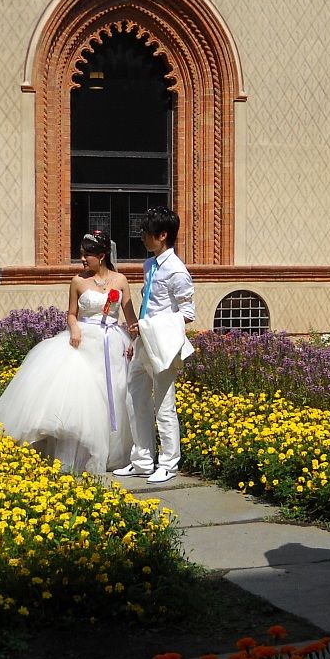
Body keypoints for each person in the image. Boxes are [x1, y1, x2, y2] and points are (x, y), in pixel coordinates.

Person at [0, 231, 137, 475]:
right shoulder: (78, 281)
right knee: (83, 396)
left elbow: (130, 317)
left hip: (112, 342)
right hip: (83, 340)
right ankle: (81, 450)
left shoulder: (121, 280)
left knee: (114, 394)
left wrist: (134, 340)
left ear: (102, 256)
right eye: (81, 255)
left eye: (87, 255)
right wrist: (74, 329)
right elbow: (71, 314)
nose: (82, 260)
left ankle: (113, 451)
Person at [114, 207, 195, 485]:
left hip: (163, 345)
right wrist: (137, 336)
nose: (142, 238)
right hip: (144, 342)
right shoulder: (149, 265)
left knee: (164, 404)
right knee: (134, 398)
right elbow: (148, 305)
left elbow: (188, 313)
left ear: (162, 235)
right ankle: (142, 460)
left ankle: (169, 464)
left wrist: (149, 327)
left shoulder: (177, 271)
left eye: (147, 233)